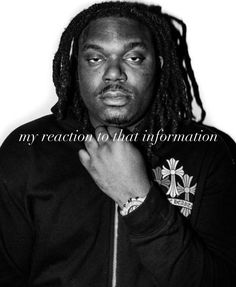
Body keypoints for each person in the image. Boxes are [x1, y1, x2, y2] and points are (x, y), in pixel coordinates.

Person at [0, 1, 236, 286]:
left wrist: (137, 199)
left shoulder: (207, 151)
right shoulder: (28, 150)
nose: (114, 73)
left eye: (134, 58)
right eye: (95, 58)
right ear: (77, 68)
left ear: (158, 66)